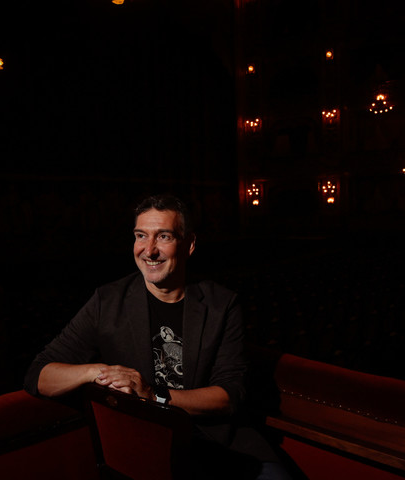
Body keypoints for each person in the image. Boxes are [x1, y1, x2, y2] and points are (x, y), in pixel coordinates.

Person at [24, 193, 291, 479]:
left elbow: (229, 395)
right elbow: (39, 376)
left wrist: (154, 395)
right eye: (141, 236)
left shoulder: (221, 305)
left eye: (163, 237)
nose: (149, 251)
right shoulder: (108, 301)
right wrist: (99, 371)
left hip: (218, 444)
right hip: (145, 445)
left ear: (188, 245)